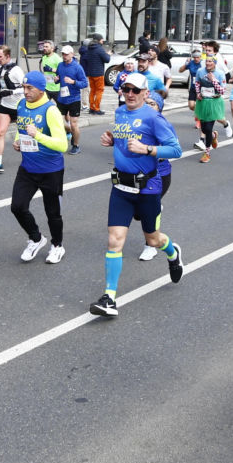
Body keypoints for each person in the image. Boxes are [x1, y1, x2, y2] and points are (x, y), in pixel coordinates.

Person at [90, 73, 183, 317]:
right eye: (125, 89)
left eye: (135, 90)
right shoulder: (120, 113)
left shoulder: (154, 118)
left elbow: (176, 149)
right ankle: (109, 297)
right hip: (121, 186)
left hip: (147, 188)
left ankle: (173, 254)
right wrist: (112, 141)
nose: (129, 93)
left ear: (145, 93)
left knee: (153, 239)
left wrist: (148, 149)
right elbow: (124, 142)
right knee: (114, 240)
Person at [10, 71, 70, 264]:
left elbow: (62, 145)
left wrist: (38, 136)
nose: (25, 92)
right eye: (24, 88)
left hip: (50, 170)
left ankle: (57, 245)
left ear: (41, 89)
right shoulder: (21, 105)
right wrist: (19, 141)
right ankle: (36, 238)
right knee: (17, 207)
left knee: (52, 213)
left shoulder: (50, 110)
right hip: (28, 168)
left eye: (30, 88)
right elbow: (21, 130)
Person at [137, 89, 176, 262]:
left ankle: (150, 246)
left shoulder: (164, 125)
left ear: (159, 108)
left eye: (152, 104)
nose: (148, 107)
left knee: (148, 212)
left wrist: (153, 151)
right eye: (146, 103)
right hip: (138, 174)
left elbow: (174, 150)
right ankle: (154, 208)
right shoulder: (137, 123)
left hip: (160, 175)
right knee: (138, 213)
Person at [0, 44, 25, 174]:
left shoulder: (16, 70)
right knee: (0, 132)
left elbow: (26, 87)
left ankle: (32, 159)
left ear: (8, 56)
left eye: (0, 56)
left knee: (25, 135)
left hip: (19, 106)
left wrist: (11, 92)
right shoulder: (0, 67)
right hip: (5, 105)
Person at [56, 44, 88, 155]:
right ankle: (69, 133)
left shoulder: (77, 67)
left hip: (74, 99)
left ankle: (76, 145)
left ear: (72, 54)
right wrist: (56, 80)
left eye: (66, 54)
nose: (64, 56)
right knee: (58, 122)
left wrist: (73, 82)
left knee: (74, 124)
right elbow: (58, 78)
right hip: (61, 98)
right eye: (63, 54)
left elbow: (85, 83)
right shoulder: (60, 65)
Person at [193, 55, 226, 163]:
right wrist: (198, 93)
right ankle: (213, 135)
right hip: (202, 102)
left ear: (215, 63)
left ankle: (207, 153)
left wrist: (213, 81)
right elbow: (197, 83)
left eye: (210, 61)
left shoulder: (220, 74)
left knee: (208, 127)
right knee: (204, 129)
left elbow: (222, 91)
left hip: (214, 102)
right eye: (207, 61)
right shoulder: (200, 71)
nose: (208, 63)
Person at [79, 35, 111, 114]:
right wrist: (108, 54)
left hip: (90, 73)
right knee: (99, 91)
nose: (103, 41)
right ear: (99, 40)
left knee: (92, 90)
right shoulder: (99, 49)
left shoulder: (89, 48)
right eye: (102, 40)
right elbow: (107, 60)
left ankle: (92, 108)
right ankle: (97, 108)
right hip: (98, 73)